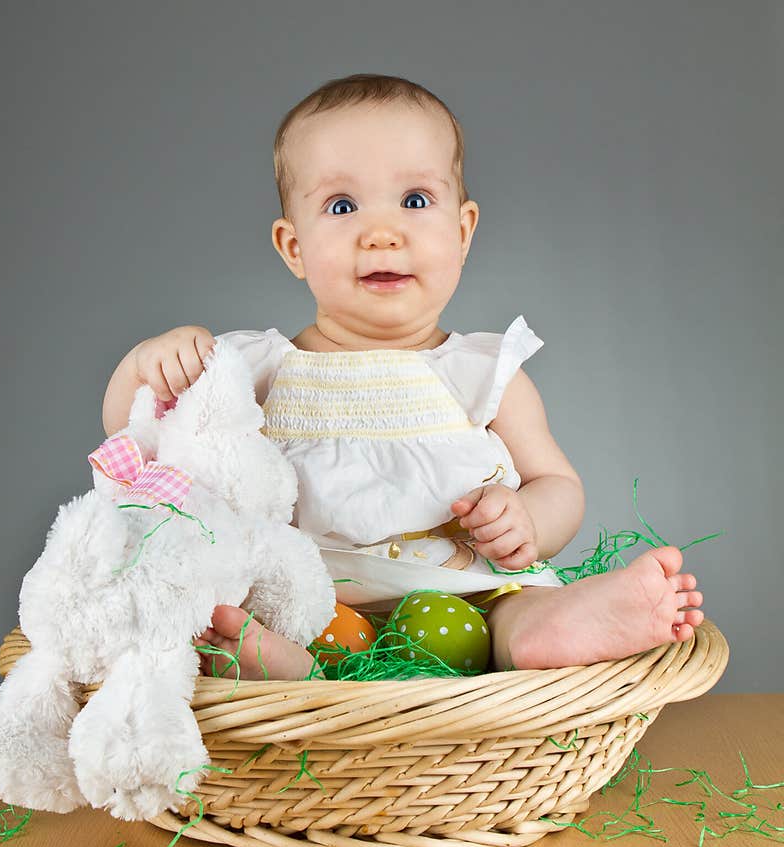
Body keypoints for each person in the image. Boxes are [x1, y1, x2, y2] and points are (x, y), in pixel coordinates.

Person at [101, 74, 704, 679]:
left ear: (462, 232)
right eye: (342, 206)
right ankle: (286, 672)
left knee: (513, 610)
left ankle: (551, 631)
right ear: (294, 247)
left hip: (465, 594)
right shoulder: (257, 369)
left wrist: (528, 521)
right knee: (244, 610)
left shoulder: (481, 373)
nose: (382, 232)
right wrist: (147, 362)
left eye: (415, 200)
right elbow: (139, 438)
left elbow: (557, 482)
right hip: (309, 598)